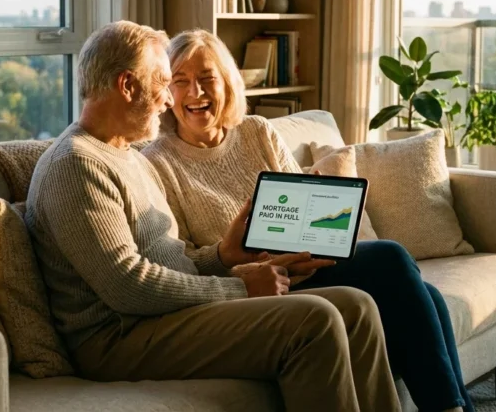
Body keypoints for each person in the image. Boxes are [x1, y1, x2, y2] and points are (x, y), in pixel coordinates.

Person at [25, 21, 401, 412]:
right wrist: (240, 287)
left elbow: (168, 260)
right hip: (119, 338)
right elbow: (129, 286)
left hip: (160, 317)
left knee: (356, 307)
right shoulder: (75, 165)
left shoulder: (127, 155)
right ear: (127, 86)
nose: (169, 101)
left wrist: (223, 257)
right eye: (163, 83)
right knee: (315, 320)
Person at [142, 29, 474, 412]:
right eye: (180, 82)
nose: (195, 93)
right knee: (393, 260)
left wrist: (316, 203)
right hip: (255, 289)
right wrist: (257, 263)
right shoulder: (157, 162)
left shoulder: (256, 131)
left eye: (206, 79)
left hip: (308, 263)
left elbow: (302, 213)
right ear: (167, 93)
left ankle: (454, 407)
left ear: (227, 83)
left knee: (427, 296)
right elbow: (182, 261)